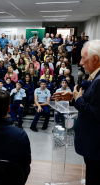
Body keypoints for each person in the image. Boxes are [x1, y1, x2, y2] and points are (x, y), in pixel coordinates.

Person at [52, 40, 100, 185]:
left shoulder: (99, 82)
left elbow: (95, 114)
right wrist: (73, 97)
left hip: (95, 146)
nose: (80, 62)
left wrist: (78, 99)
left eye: (83, 58)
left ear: (95, 59)